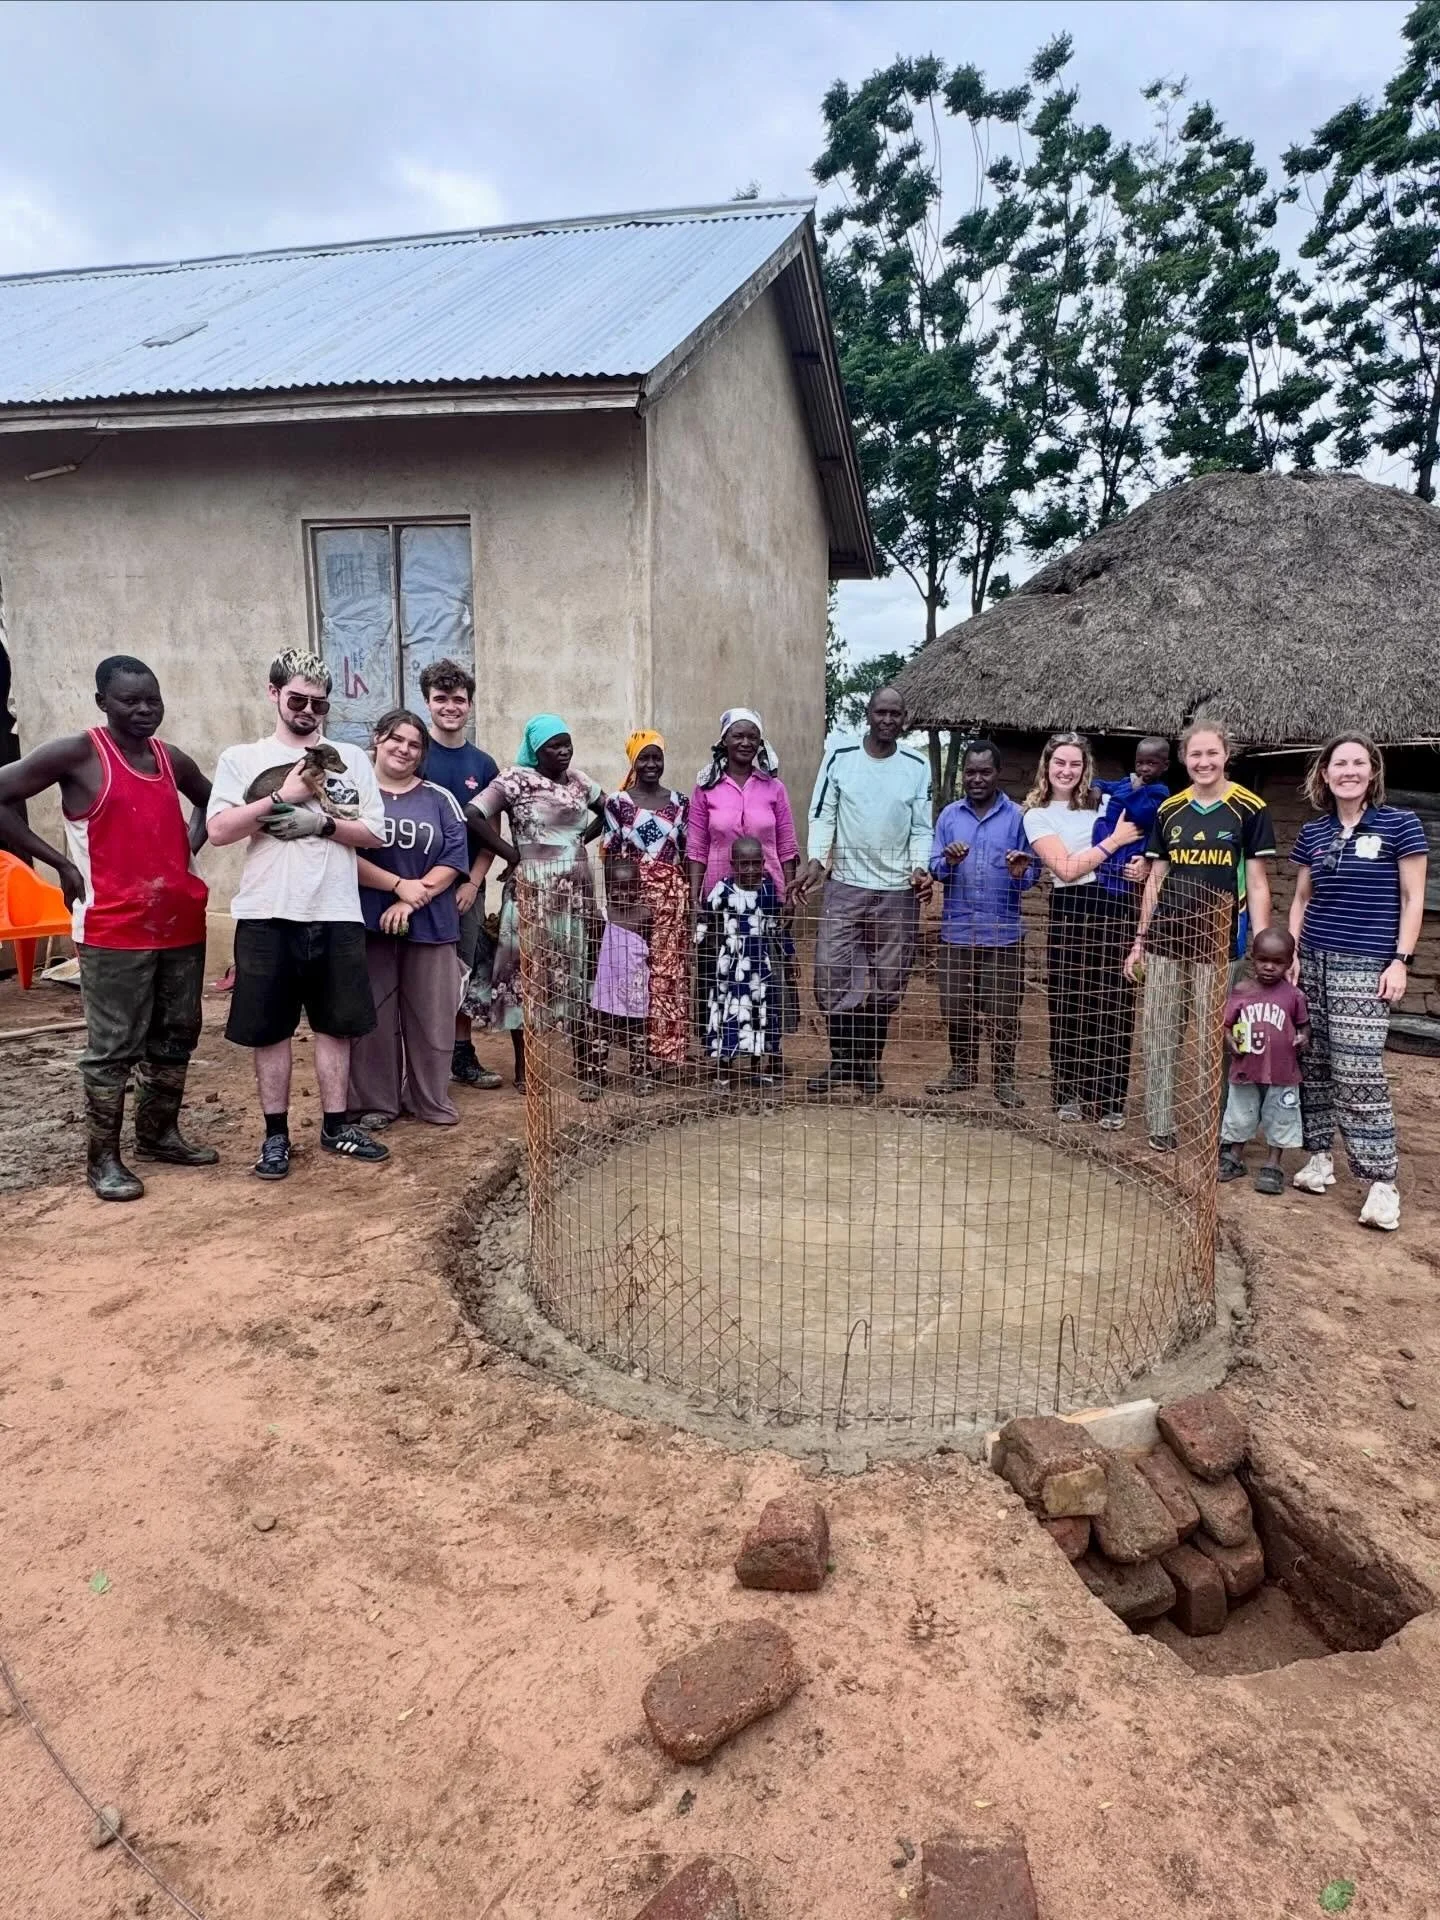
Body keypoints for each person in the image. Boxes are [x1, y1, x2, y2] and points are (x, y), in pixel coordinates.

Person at [0, 656, 214, 1200]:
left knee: (176, 1035)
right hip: (112, 928)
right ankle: (103, 1161)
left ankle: (159, 1134)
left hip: (180, 924)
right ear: (103, 702)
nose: (144, 710)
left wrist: (186, 851)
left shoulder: (171, 759)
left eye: (153, 700)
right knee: (114, 1047)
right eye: (130, 700)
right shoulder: (78, 753)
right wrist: (59, 863)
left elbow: (212, 803)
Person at [207, 648, 389, 1179]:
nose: (308, 711)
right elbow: (218, 832)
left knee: (337, 1025)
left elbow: (374, 831)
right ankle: (275, 1136)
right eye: (297, 699)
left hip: (336, 910)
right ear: (273, 694)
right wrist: (279, 798)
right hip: (268, 911)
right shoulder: (241, 757)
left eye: (319, 703)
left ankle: (336, 1125)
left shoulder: (350, 757)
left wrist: (323, 826)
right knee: (270, 1029)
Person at [1287, 735, 1428, 1232]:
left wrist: (1401, 961)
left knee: (1360, 1069)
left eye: (1358, 763)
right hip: (1314, 960)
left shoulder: (1400, 826)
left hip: (1366, 964)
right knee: (1314, 1059)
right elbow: (1302, 899)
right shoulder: (1314, 832)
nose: (1348, 771)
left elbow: (1413, 899)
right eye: (1339, 763)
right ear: (1325, 774)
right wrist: (1293, 953)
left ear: (1372, 772)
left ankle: (1380, 1181)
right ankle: (1319, 1155)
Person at [1124, 721, 1276, 1153]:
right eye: (1195, 755)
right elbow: (1156, 877)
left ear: (1227, 755)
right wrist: (1140, 939)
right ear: (1184, 759)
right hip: (1167, 939)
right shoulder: (1169, 809)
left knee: (1217, 1039)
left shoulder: (1250, 808)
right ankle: (1160, 1123)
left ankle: (1218, 1125)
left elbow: (1259, 882)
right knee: (1160, 1031)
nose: (1204, 762)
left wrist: (1263, 944)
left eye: (1212, 753)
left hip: (1220, 942)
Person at [795, 686, 932, 1095]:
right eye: (881, 713)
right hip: (846, 887)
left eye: (895, 714)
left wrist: (919, 867)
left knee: (887, 981)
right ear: (868, 715)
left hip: (896, 892)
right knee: (833, 974)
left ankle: (868, 1065)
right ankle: (841, 1062)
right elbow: (823, 814)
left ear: (904, 718)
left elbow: (922, 826)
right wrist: (817, 859)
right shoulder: (841, 758)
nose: (888, 720)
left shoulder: (916, 765)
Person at [463, 715, 605, 1094]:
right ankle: (527, 1069)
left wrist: (577, 844)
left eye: (566, 744)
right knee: (526, 977)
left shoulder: (580, 781)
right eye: (553, 746)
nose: (562, 751)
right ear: (536, 750)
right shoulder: (516, 779)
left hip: (575, 891)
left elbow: (610, 812)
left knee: (578, 973)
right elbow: (473, 814)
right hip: (532, 891)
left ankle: (586, 1066)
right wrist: (514, 854)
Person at [347, 710, 469, 1128]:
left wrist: (411, 899)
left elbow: (454, 858)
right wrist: (397, 885)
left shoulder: (439, 798)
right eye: (396, 739)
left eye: (415, 745)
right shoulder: (356, 796)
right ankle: (377, 1104)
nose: (404, 749)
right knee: (374, 1018)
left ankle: (429, 1100)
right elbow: (345, 853)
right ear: (378, 740)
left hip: (432, 925)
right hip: (368, 923)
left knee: (432, 1017)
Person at [1023, 734, 1143, 1122]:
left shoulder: (1105, 802)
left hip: (1115, 906)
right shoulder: (1037, 814)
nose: (1066, 771)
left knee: (1114, 1002)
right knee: (1069, 1000)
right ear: (1046, 765)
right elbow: (1066, 868)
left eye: (1075, 764)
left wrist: (1138, 860)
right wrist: (1114, 841)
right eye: (1059, 762)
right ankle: (1069, 1092)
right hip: (1071, 909)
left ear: (1085, 767)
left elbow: (1137, 840)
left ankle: (1109, 1100)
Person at [923, 739, 1038, 1103]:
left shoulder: (1019, 817)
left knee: (1003, 1010)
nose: (976, 779)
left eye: (984, 772)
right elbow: (934, 868)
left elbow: (1033, 875)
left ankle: (1004, 1078)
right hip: (957, 931)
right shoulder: (949, 816)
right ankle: (962, 1069)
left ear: (997, 774)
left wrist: (1021, 870)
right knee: (955, 1006)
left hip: (1003, 933)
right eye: (970, 772)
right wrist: (948, 862)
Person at [687, 708, 799, 1049]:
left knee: (768, 974)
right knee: (719, 972)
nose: (746, 742)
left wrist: (789, 894)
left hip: (767, 896)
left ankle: (769, 1050)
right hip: (720, 902)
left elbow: (787, 844)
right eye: (738, 735)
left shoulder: (773, 788)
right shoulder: (706, 789)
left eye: (753, 736)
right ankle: (720, 1048)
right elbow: (696, 847)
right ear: (724, 741)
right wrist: (695, 898)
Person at [418, 657, 504, 1091]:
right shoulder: (414, 754)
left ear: (469, 704)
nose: (450, 707)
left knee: (464, 971)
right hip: (417, 888)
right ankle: (420, 1062)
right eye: (440, 699)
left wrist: (472, 881)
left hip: (467, 888)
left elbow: (492, 834)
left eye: (458, 699)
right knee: (419, 973)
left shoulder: (483, 764)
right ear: (427, 703)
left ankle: (462, 1055)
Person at [1080, 735, 1173, 1125]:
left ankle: (1113, 1096)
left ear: (1164, 767)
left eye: (1152, 765)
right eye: (1140, 763)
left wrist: (1122, 793)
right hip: (1101, 888)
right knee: (1089, 992)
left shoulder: (1160, 793)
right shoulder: (1130, 783)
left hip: (1127, 899)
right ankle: (1087, 1092)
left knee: (1118, 997)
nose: (1144, 770)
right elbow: (1110, 796)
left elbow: (1143, 815)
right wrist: (1105, 790)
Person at [602, 732, 688, 1072]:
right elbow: (610, 854)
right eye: (644, 758)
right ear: (633, 762)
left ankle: (666, 1055)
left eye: (657, 757)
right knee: (630, 976)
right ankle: (637, 1056)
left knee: (667, 975)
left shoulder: (681, 802)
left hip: (671, 899)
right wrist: (613, 903)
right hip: (631, 900)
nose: (651, 764)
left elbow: (688, 851)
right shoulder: (618, 803)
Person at [1218, 926, 1310, 1194]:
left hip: (1283, 1072)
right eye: (1263, 960)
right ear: (1252, 958)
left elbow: (1304, 1026)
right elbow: (1226, 1025)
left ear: (1290, 962)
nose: (1269, 967)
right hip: (1246, 1068)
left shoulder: (1294, 996)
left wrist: (1303, 1038)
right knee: (1239, 1114)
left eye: (1278, 962)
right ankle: (1234, 1156)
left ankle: (1273, 1164)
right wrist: (1229, 1041)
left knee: (1280, 1115)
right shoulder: (1242, 990)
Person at [702, 834, 781, 1086]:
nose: (749, 870)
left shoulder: (768, 890)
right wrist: (700, 941)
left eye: (755, 864)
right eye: (743, 865)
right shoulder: (723, 889)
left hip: (759, 967)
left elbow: (775, 927)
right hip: (731, 966)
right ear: (733, 865)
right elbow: (705, 916)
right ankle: (723, 1070)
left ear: (763, 863)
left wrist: (789, 958)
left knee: (760, 1015)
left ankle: (757, 1069)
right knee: (728, 1013)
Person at [590, 853, 653, 1093]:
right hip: (606, 986)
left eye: (630, 888)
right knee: (600, 1033)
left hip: (635, 986)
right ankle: (596, 1076)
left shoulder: (644, 916)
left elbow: (649, 950)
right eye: (617, 889)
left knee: (637, 1032)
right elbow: (593, 952)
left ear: (639, 887)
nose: (624, 894)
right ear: (607, 888)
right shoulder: (601, 917)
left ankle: (640, 1074)